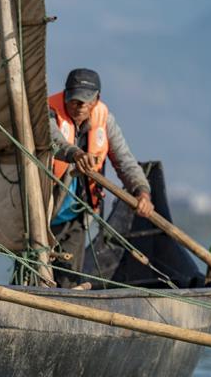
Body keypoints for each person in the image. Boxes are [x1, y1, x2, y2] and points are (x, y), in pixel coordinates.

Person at [47, 68, 154, 288]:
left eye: (85, 102)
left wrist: (141, 191)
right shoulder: (48, 112)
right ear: (66, 95)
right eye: (74, 100)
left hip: (73, 217)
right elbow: (53, 140)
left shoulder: (104, 120)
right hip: (43, 213)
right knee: (34, 275)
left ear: (96, 100)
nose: (78, 107)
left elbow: (124, 161)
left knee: (67, 283)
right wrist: (75, 154)